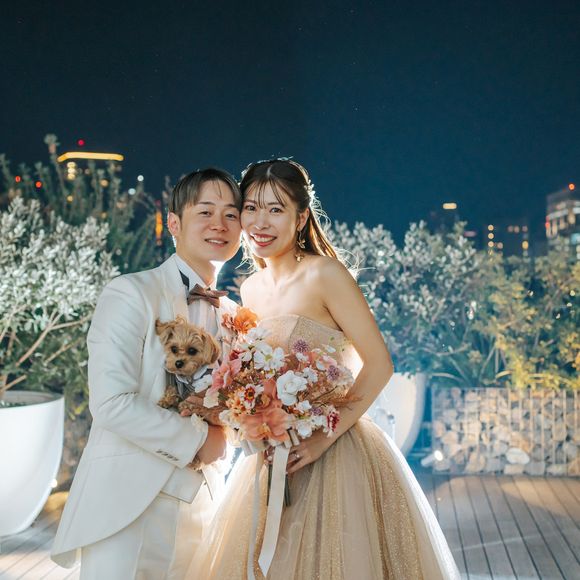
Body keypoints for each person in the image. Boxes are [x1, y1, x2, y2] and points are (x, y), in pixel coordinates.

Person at [188, 159, 460, 579]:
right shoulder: (250, 288)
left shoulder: (325, 274)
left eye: (276, 209)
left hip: (337, 453)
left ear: (300, 218)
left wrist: (322, 439)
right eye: (252, 208)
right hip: (274, 455)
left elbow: (380, 364)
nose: (260, 222)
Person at [51, 168, 242, 579]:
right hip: (128, 504)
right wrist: (199, 441)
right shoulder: (131, 293)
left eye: (231, 214)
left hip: (206, 505)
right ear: (173, 223)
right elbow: (111, 404)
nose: (219, 224)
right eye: (205, 212)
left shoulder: (235, 316)